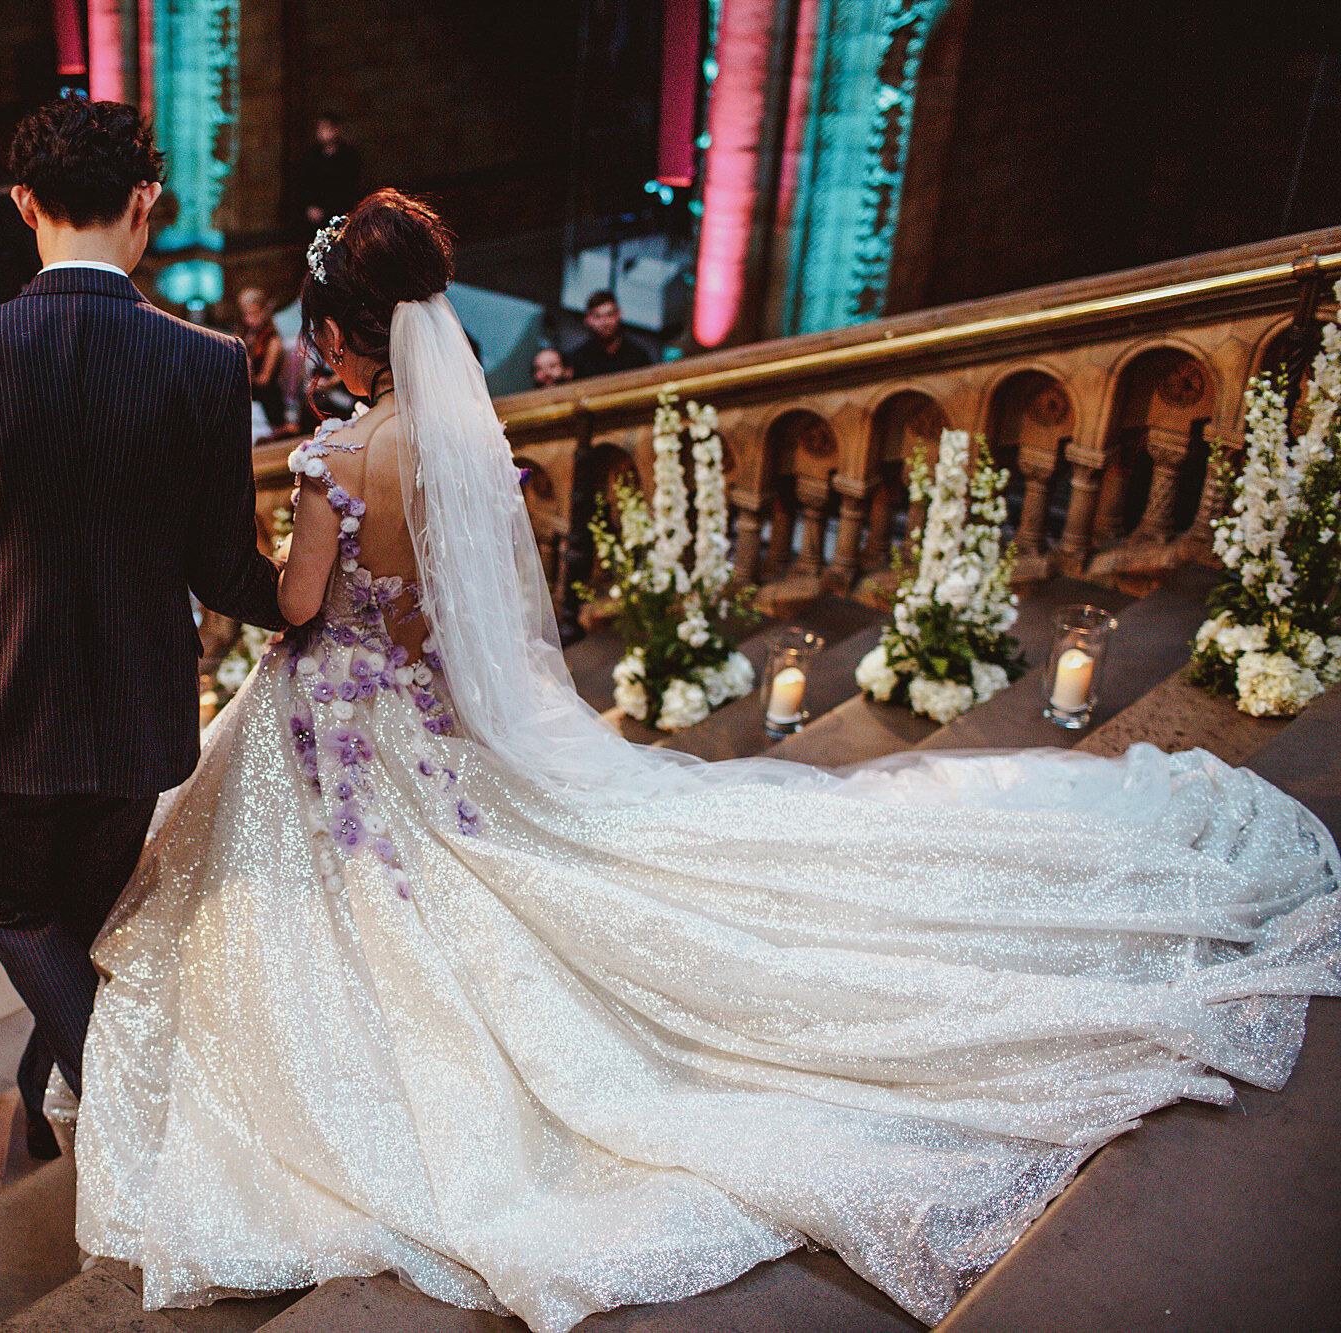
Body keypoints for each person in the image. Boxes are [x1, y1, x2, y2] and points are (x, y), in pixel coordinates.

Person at [68, 190, 1341, 1333]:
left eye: (321, 333)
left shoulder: (333, 460)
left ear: (341, 334)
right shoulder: (454, 445)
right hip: (425, 722)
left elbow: (296, 609)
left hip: (334, 733)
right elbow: (449, 617)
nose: (321, 354)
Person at [0, 97, 287, 1165]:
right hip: (132, 714)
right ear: (145, 199)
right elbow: (222, 567)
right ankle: (41, 1104)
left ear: (23, 204)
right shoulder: (204, 361)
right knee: (79, 916)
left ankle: (138, 1113)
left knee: (13, 905)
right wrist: (323, 599)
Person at [566, 289, 654, 380]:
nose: (604, 322)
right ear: (588, 320)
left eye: (609, 315)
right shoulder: (577, 359)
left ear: (619, 315)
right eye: (598, 316)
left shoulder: (638, 356)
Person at [297, 112, 362, 235]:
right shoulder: (312, 156)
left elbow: (348, 187)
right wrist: (310, 207)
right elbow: (305, 183)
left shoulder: (348, 157)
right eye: (319, 128)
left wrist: (327, 209)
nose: (322, 132)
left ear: (336, 130)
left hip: (339, 214)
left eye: (326, 128)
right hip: (314, 218)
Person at [236, 287, 286, 434]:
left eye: (254, 314)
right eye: (246, 315)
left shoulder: (272, 339)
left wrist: (249, 376)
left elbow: (265, 380)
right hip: (248, 394)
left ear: (264, 311)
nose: (250, 320)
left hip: (267, 401)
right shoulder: (244, 334)